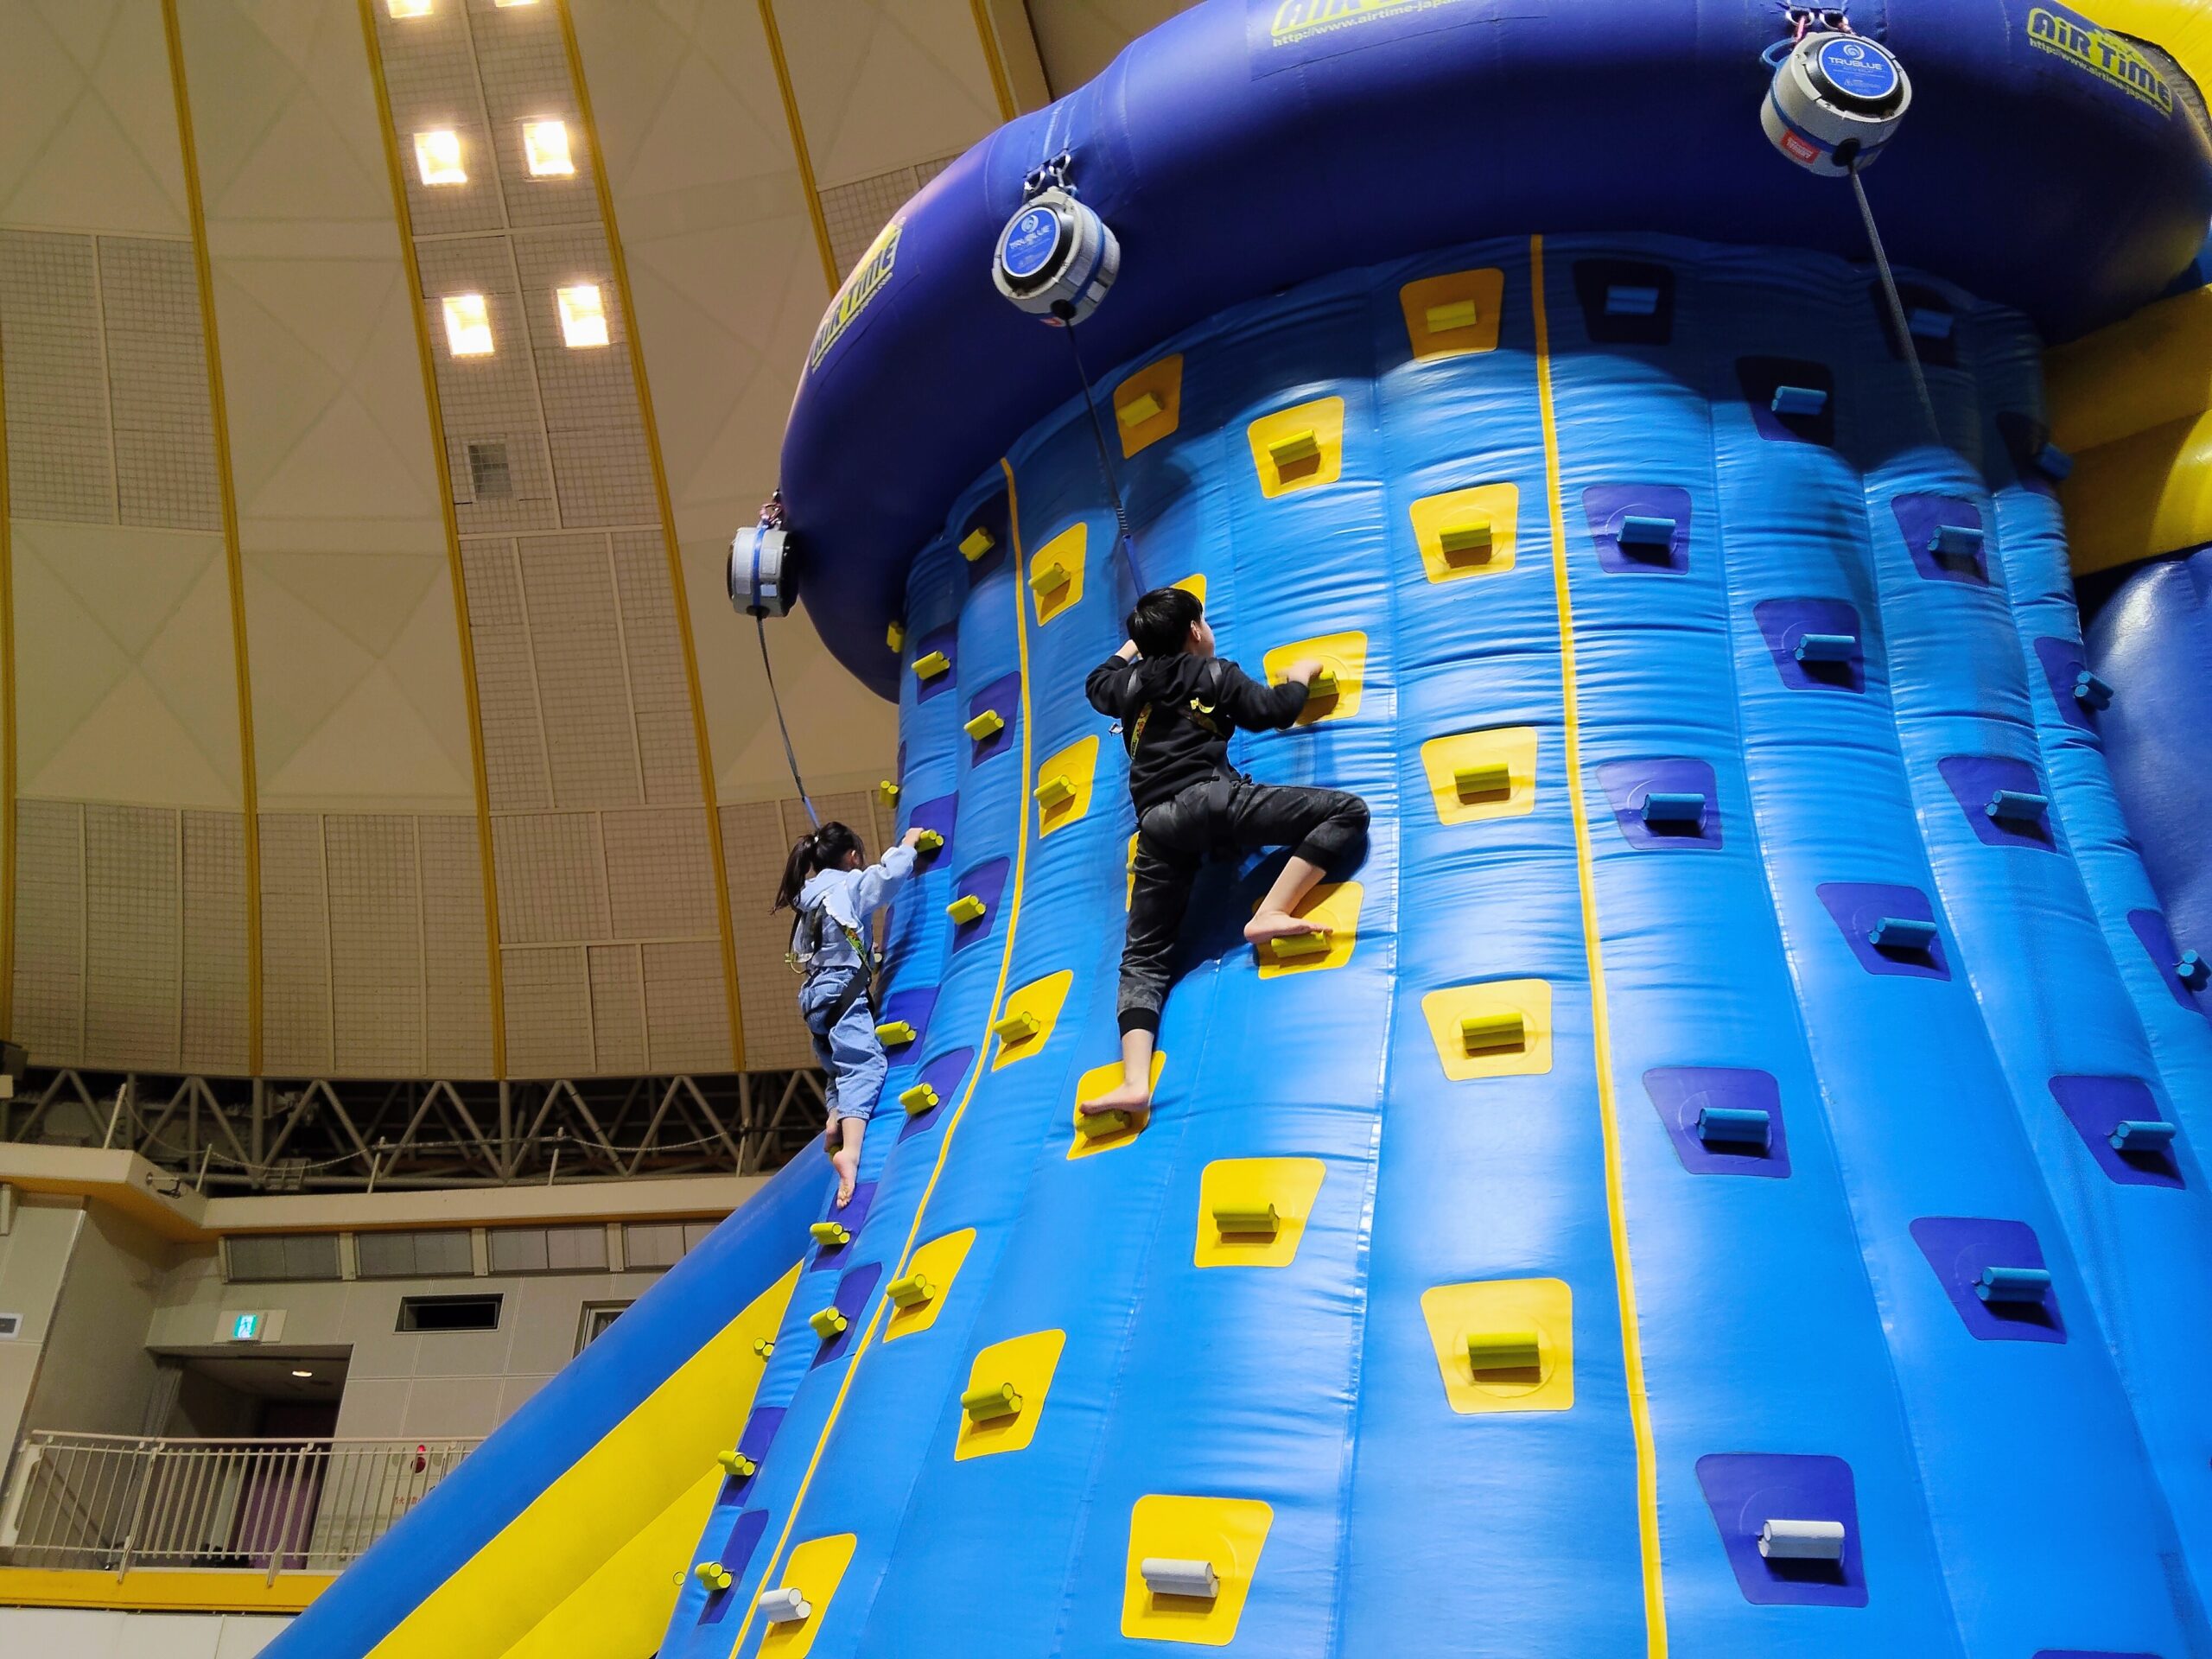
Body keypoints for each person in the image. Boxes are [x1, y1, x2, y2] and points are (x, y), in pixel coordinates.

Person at [1082, 586, 1369, 1129]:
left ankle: (1135, 1081)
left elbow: (1097, 681)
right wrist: (1300, 677)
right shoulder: (1214, 674)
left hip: (1159, 829)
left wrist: (1134, 646)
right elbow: (1276, 711)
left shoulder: (1127, 687)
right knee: (1347, 812)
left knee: (1144, 958)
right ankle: (1271, 911)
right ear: (1195, 631)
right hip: (1214, 805)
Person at [774, 820, 926, 1205]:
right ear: (853, 856)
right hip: (840, 992)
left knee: (837, 1069)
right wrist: (909, 843)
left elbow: (830, 946)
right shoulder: (849, 885)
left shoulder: (808, 897)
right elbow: (888, 877)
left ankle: (834, 1118)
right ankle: (851, 1152)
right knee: (864, 1066)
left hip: (815, 998)